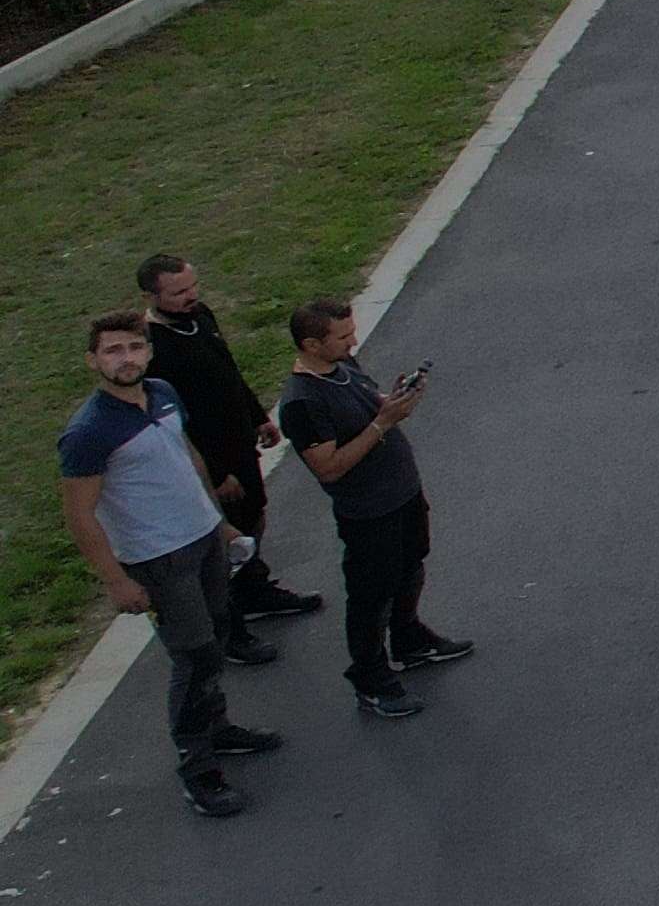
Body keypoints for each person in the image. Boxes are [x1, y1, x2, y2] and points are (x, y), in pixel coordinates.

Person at [58, 308, 284, 817]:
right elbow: (79, 515)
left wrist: (220, 522)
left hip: (203, 539)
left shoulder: (162, 393)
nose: (126, 358)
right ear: (93, 360)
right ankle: (198, 768)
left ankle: (218, 728)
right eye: (113, 350)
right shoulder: (88, 433)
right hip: (158, 559)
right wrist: (116, 581)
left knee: (219, 633)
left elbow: (186, 458)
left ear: (149, 352)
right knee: (196, 656)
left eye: (134, 347)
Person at [279, 301, 470, 718]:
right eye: (343, 336)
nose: (353, 341)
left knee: (411, 566)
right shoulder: (302, 402)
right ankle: (370, 678)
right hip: (368, 513)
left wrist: (393, 400)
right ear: (311, 344)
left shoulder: (344, 365)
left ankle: (409, 638)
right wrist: (383, 422)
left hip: (402, 493)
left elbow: (369, 405)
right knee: (371, 597)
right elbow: (328, 468)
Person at [138, 251, 319, 631]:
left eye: (192, 286)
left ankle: (255, 589)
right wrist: (216, 475)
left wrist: (256, 416)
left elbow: (228, 372)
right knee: (224, 541)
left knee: (253, 515)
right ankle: (228, 624)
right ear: (151, 297)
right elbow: (175, 424)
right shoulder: (153, 349)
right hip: (211, 459)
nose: (190, 296)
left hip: (239, 443)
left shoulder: (200, 316)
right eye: (177, 293)